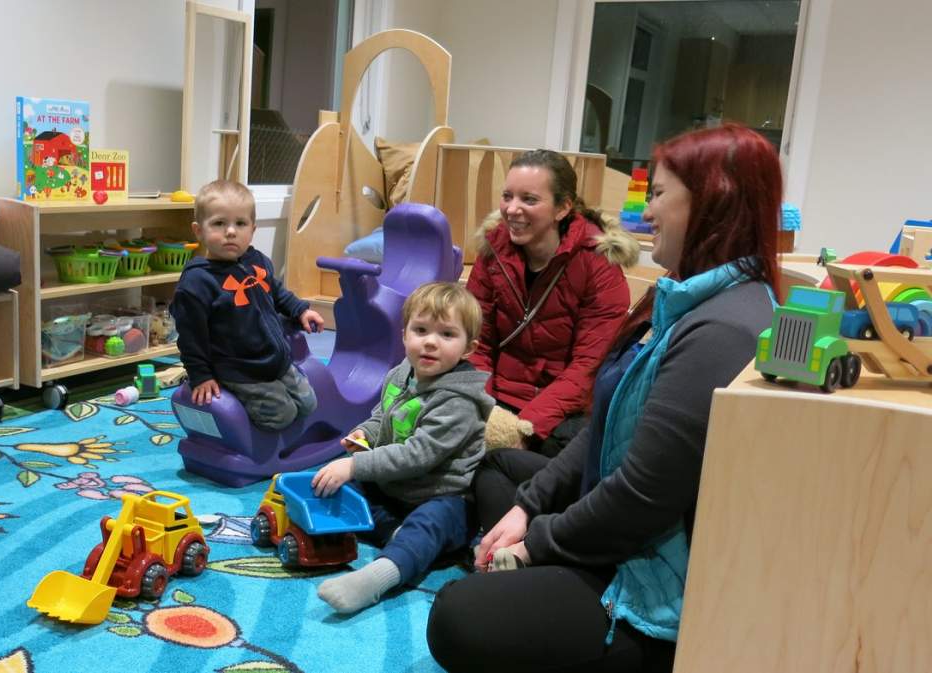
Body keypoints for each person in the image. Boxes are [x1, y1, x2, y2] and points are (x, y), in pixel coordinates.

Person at [426, 124, 782, 673]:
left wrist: (537, 541)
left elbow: (641, 495)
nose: (647, 213)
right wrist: (529, 505)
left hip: (641, 567)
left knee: (455, 616)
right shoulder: (688, 298)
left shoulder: (722, 328)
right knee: (498, 472)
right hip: (609, 510)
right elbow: (606, 418)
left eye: (659, 195)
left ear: (714, 202)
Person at [312, 282, 493, 614]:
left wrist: (357, 465)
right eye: (420, 330)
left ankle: (379, 576)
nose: (430, 342)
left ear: (469, 348)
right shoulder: (400, 374)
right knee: (335, 481)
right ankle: (397, 533)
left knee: (430, 523)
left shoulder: (458, 401)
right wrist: (362, 437)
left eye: (447, 335)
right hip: (395, 488)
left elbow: (417, 455)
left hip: (442, 496)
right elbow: (381, 417)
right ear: (404, 334)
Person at [467, 149, 638, 456]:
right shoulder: (493, 251)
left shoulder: (597, 264)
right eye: (508, 196)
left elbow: (587, 366)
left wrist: (525, 427)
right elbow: (476, 340)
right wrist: (484, 410)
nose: (512, 209)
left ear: (563, 208)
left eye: (529, 199)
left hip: (560, 411)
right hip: (494, 396)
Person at [171, 179, 325, 431]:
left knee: (309, 404)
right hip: (238, 369)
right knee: (282, 415)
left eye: (240, 223)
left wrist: (301, 310)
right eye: (219, 223)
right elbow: (190, 337)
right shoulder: (197, 282)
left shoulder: (256, 260)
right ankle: (240, 413)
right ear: (198, 231)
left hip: (275, 359)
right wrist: (201, 375)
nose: (231, 231)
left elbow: (275, 291)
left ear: (252, 229)